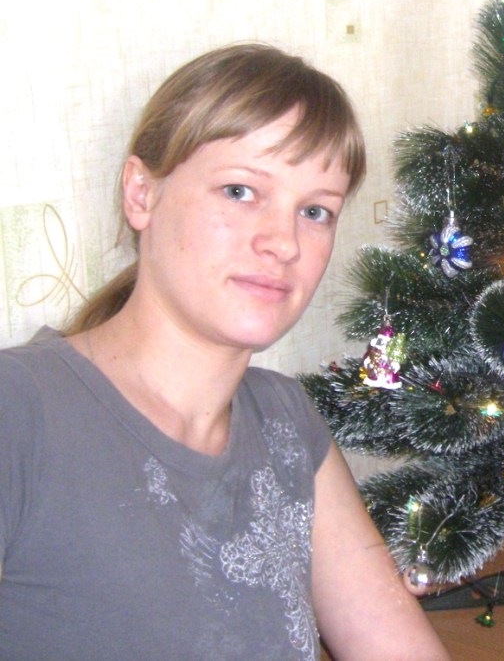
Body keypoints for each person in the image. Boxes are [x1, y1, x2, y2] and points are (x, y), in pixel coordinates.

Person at [0, 43, 450, 660]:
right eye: (240, 190)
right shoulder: (20, 411)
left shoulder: (285, 418)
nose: (284, 242)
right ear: (141, 194)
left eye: (315, 210)